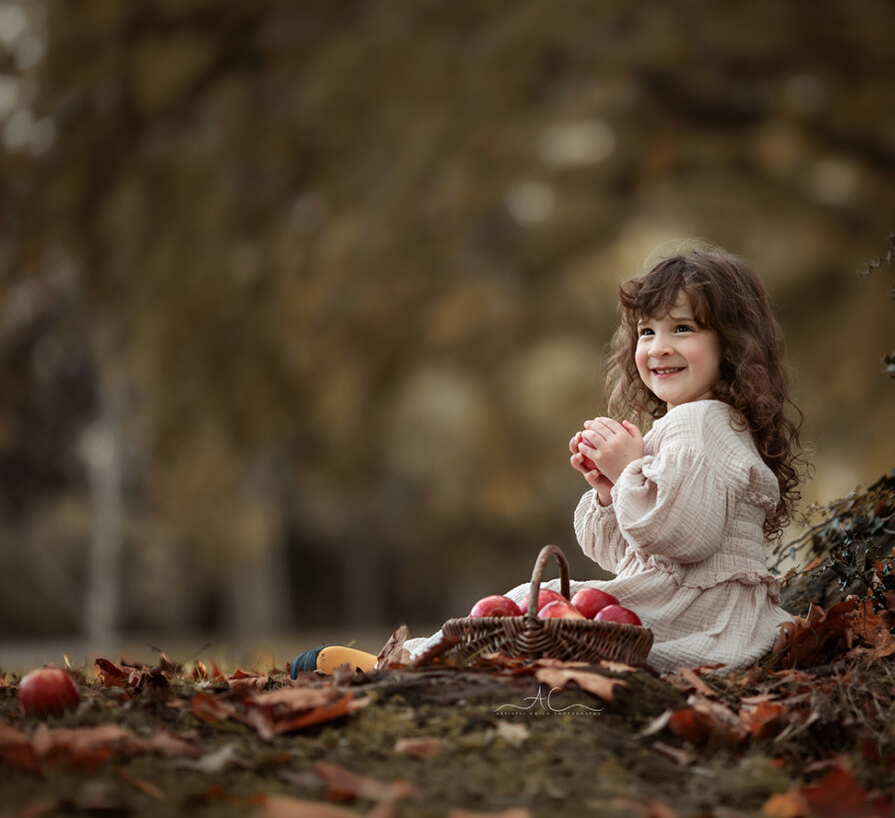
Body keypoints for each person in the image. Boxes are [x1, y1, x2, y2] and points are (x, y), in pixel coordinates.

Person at [291, 245, 806, 677]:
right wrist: (611, 491)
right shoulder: (703, 427)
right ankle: (412, 662)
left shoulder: (700, 424)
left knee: (535, 615)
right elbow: (639, 550)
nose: (658, 348)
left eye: (684, 329)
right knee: (552, 607)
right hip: (700, 610)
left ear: (731, 344)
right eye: (647, 332)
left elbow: (685, 536)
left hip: (694, 619)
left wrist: (629, 472)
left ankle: (400, 666)